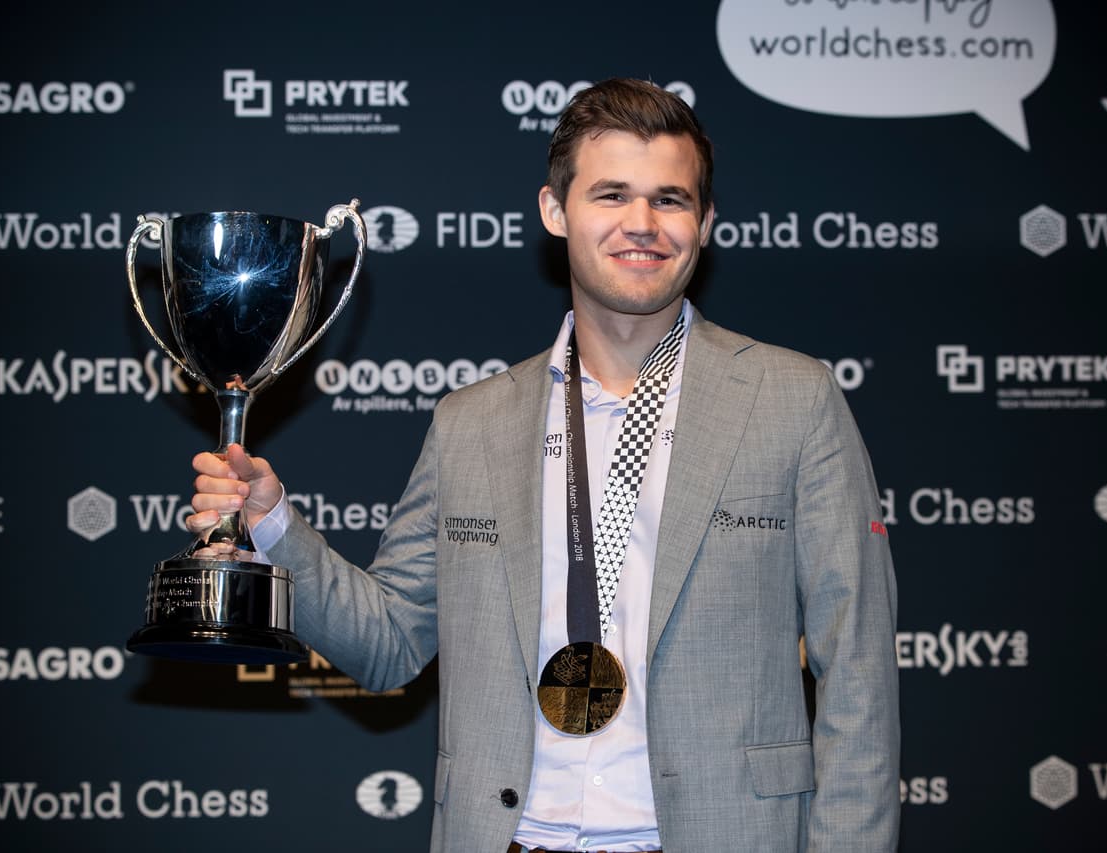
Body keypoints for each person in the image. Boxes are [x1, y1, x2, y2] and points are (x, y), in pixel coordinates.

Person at [188, 78, 899, 853]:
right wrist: (272, 526)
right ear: (555, 211)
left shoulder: (793, 398)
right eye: (611, 195)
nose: (642, 224)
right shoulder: (471, 423)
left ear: (704, 223)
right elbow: (388, 643)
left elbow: (858, 668)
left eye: (670, 200)